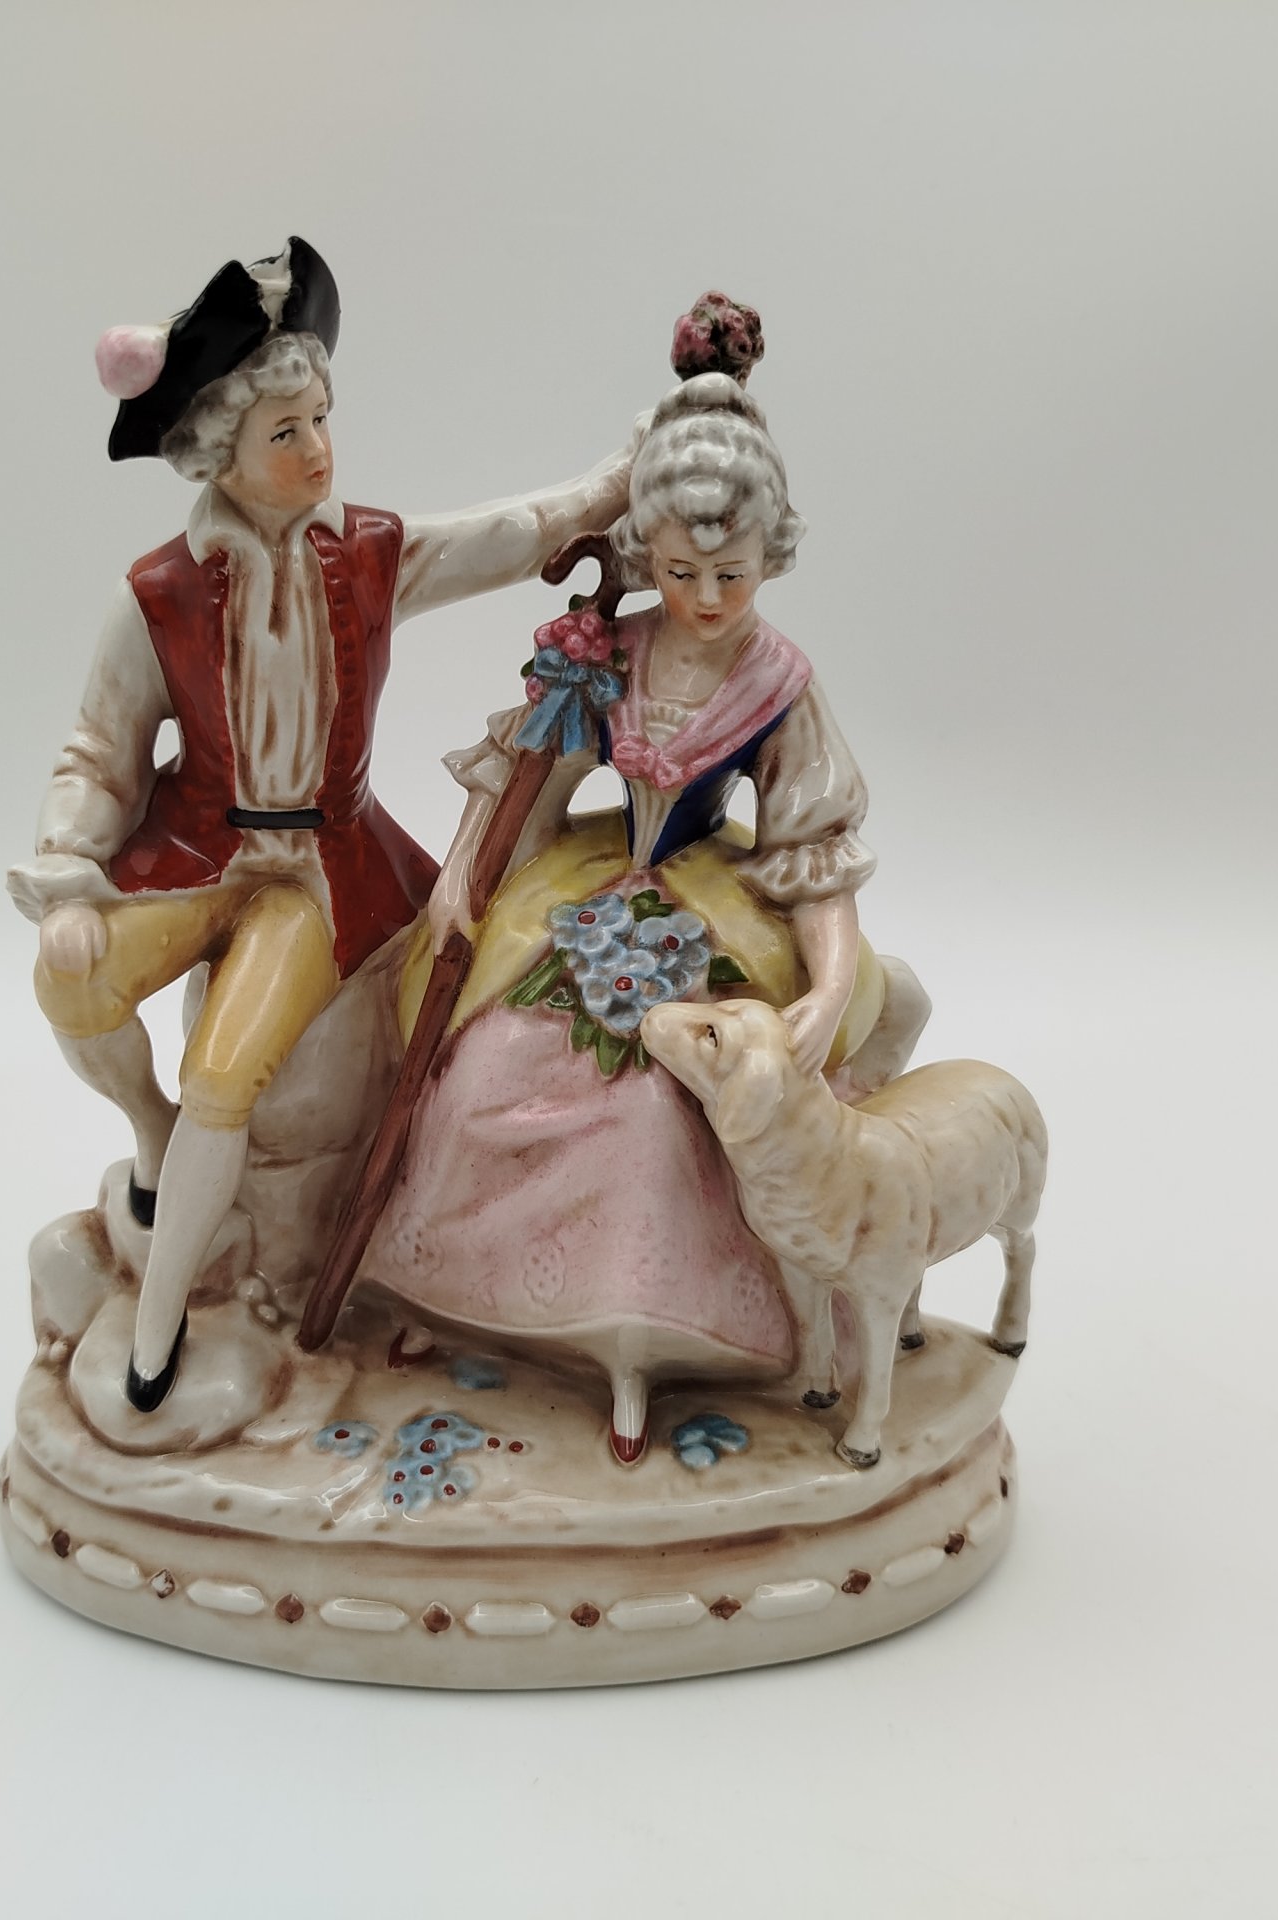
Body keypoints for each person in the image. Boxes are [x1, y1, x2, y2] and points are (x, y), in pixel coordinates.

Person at [7, 237, 630, 1411]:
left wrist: (607, 487)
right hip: (195, 847)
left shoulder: (371, 553)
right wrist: (69, 868)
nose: (317, 449)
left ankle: (157, 1323)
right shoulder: (160, 592)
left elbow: (501, 537)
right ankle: (148, 1133)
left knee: (225, 1073)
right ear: (221, 453)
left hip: (316, 871)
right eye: (285, 432)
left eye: (322, 419)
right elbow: (98, 751)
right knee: (67, 979)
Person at [360, 297, 929, 1462]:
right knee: (486, 1073)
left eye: (731, 573)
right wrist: (463, 881)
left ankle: (649, 1345)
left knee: (662, 1110)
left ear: (769, 557)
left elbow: (814, 850)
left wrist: (828, 985)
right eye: (680, 571)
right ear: (646, 556)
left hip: (713, 902)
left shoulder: (779, 686)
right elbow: (526, 781)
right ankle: (454, 1299)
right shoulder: (610, 653)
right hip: (589, 886)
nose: (707, 598)